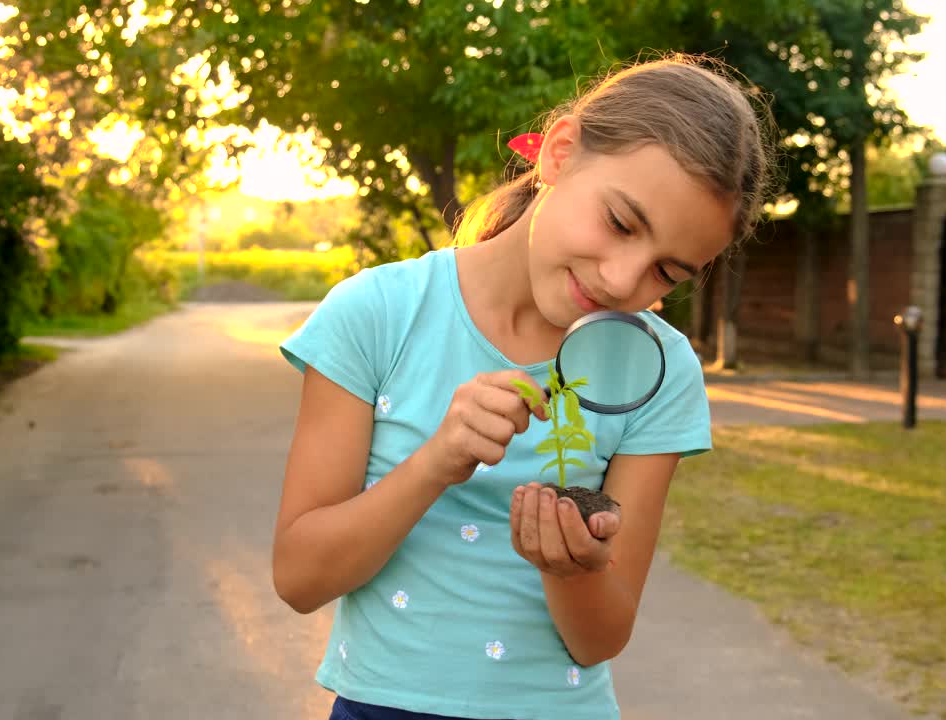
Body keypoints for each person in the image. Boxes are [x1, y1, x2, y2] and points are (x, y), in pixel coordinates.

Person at [273, 53, 772, 720]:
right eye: (622, 223)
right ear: (561, 154)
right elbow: (300, 578)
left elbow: (600, 639)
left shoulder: (661, 372)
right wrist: (433, 463)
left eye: (667, 273)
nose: (624, 281)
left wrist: (572, 568)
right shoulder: (378, 313)